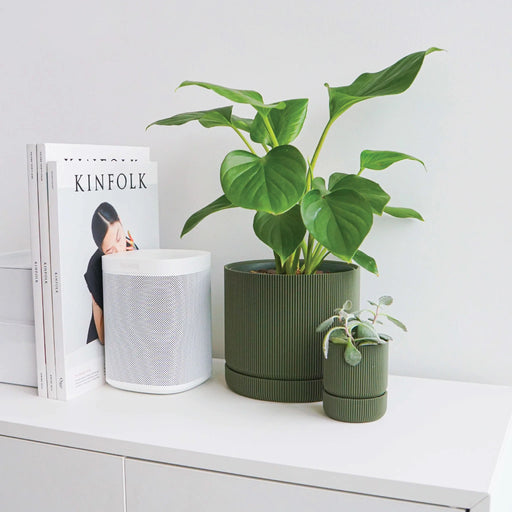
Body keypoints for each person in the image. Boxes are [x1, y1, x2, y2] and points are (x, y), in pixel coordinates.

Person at [84, 202, 137, 344]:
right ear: (101, 250)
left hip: (127, 337)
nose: (119, 251)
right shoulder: (95, 267)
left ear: (120, 220)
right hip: (102, 344)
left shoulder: (130, 246)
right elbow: (103, 336)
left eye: (119, 238)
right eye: (109, 251)